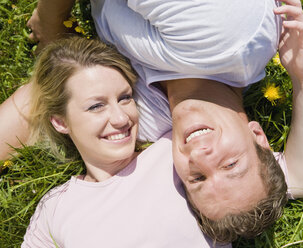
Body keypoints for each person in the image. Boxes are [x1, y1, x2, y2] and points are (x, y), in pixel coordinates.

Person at [2, 0, 303, 243]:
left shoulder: (152, 122)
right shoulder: (223, 34)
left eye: (196, 179)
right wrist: (50, 23)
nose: (199, 157)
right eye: (229, 165)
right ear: (257, 135)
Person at [21, 36, 229, 247]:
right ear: (60, 121)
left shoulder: (176, 151)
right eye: (96, 106)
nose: (121, 118)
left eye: (125, 98)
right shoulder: (55, 208)